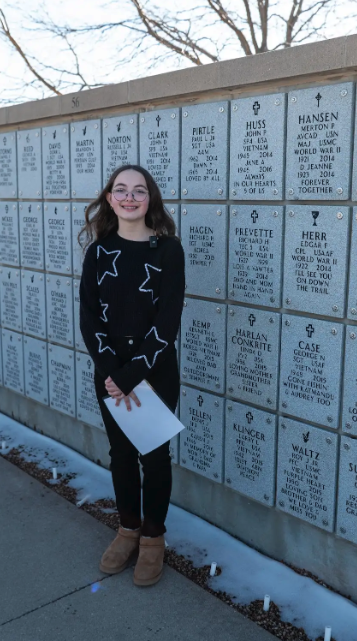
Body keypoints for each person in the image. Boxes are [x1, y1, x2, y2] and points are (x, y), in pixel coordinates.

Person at [78, 164, 185, 587]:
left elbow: (169, 317)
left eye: (138, 191)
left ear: (150, 199)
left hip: (154, 370)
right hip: (109, 371)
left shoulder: (168, 250)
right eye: (120, 190)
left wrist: (131, 375)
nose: (129, 197)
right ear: (109, 199)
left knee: (154, 457)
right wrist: (112, 373)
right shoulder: (98, 252)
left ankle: (153, 539)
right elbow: (89, 320)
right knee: (120, 454)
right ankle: (127, 530)